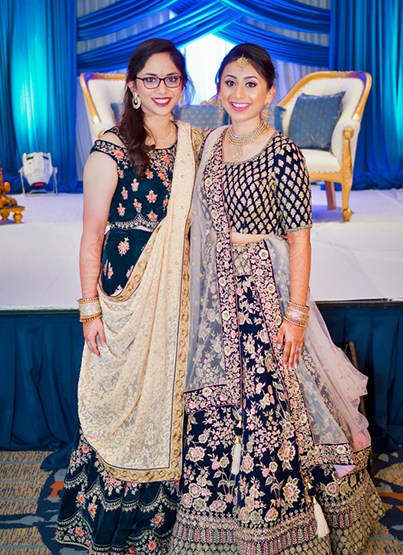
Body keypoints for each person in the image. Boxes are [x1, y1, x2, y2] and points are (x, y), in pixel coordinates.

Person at [169, 43, 385, 555]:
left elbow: (299, 238)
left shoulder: (282, 152)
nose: (238, 93)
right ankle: (214, 524)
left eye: (250, 84)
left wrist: (295, 314)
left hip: (264, 296)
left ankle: (284, 528)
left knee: (273, 403)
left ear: (268, 93)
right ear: (217, 90)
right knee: (216, 399)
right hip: (215, 301)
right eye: (229, 82)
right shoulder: (211, 144)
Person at [56, 39, 201, 554]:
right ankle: (110, 515)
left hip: (179, 300)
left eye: (172, 79)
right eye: (151, 79)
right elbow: (92, 234)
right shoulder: (112, 146)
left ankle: (168, 516)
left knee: (170, 396)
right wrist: (89, 309)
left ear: (182, 85)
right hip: (124, 300)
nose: (163, 89)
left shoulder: (196, 142)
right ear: (134, 86)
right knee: (120, 401)